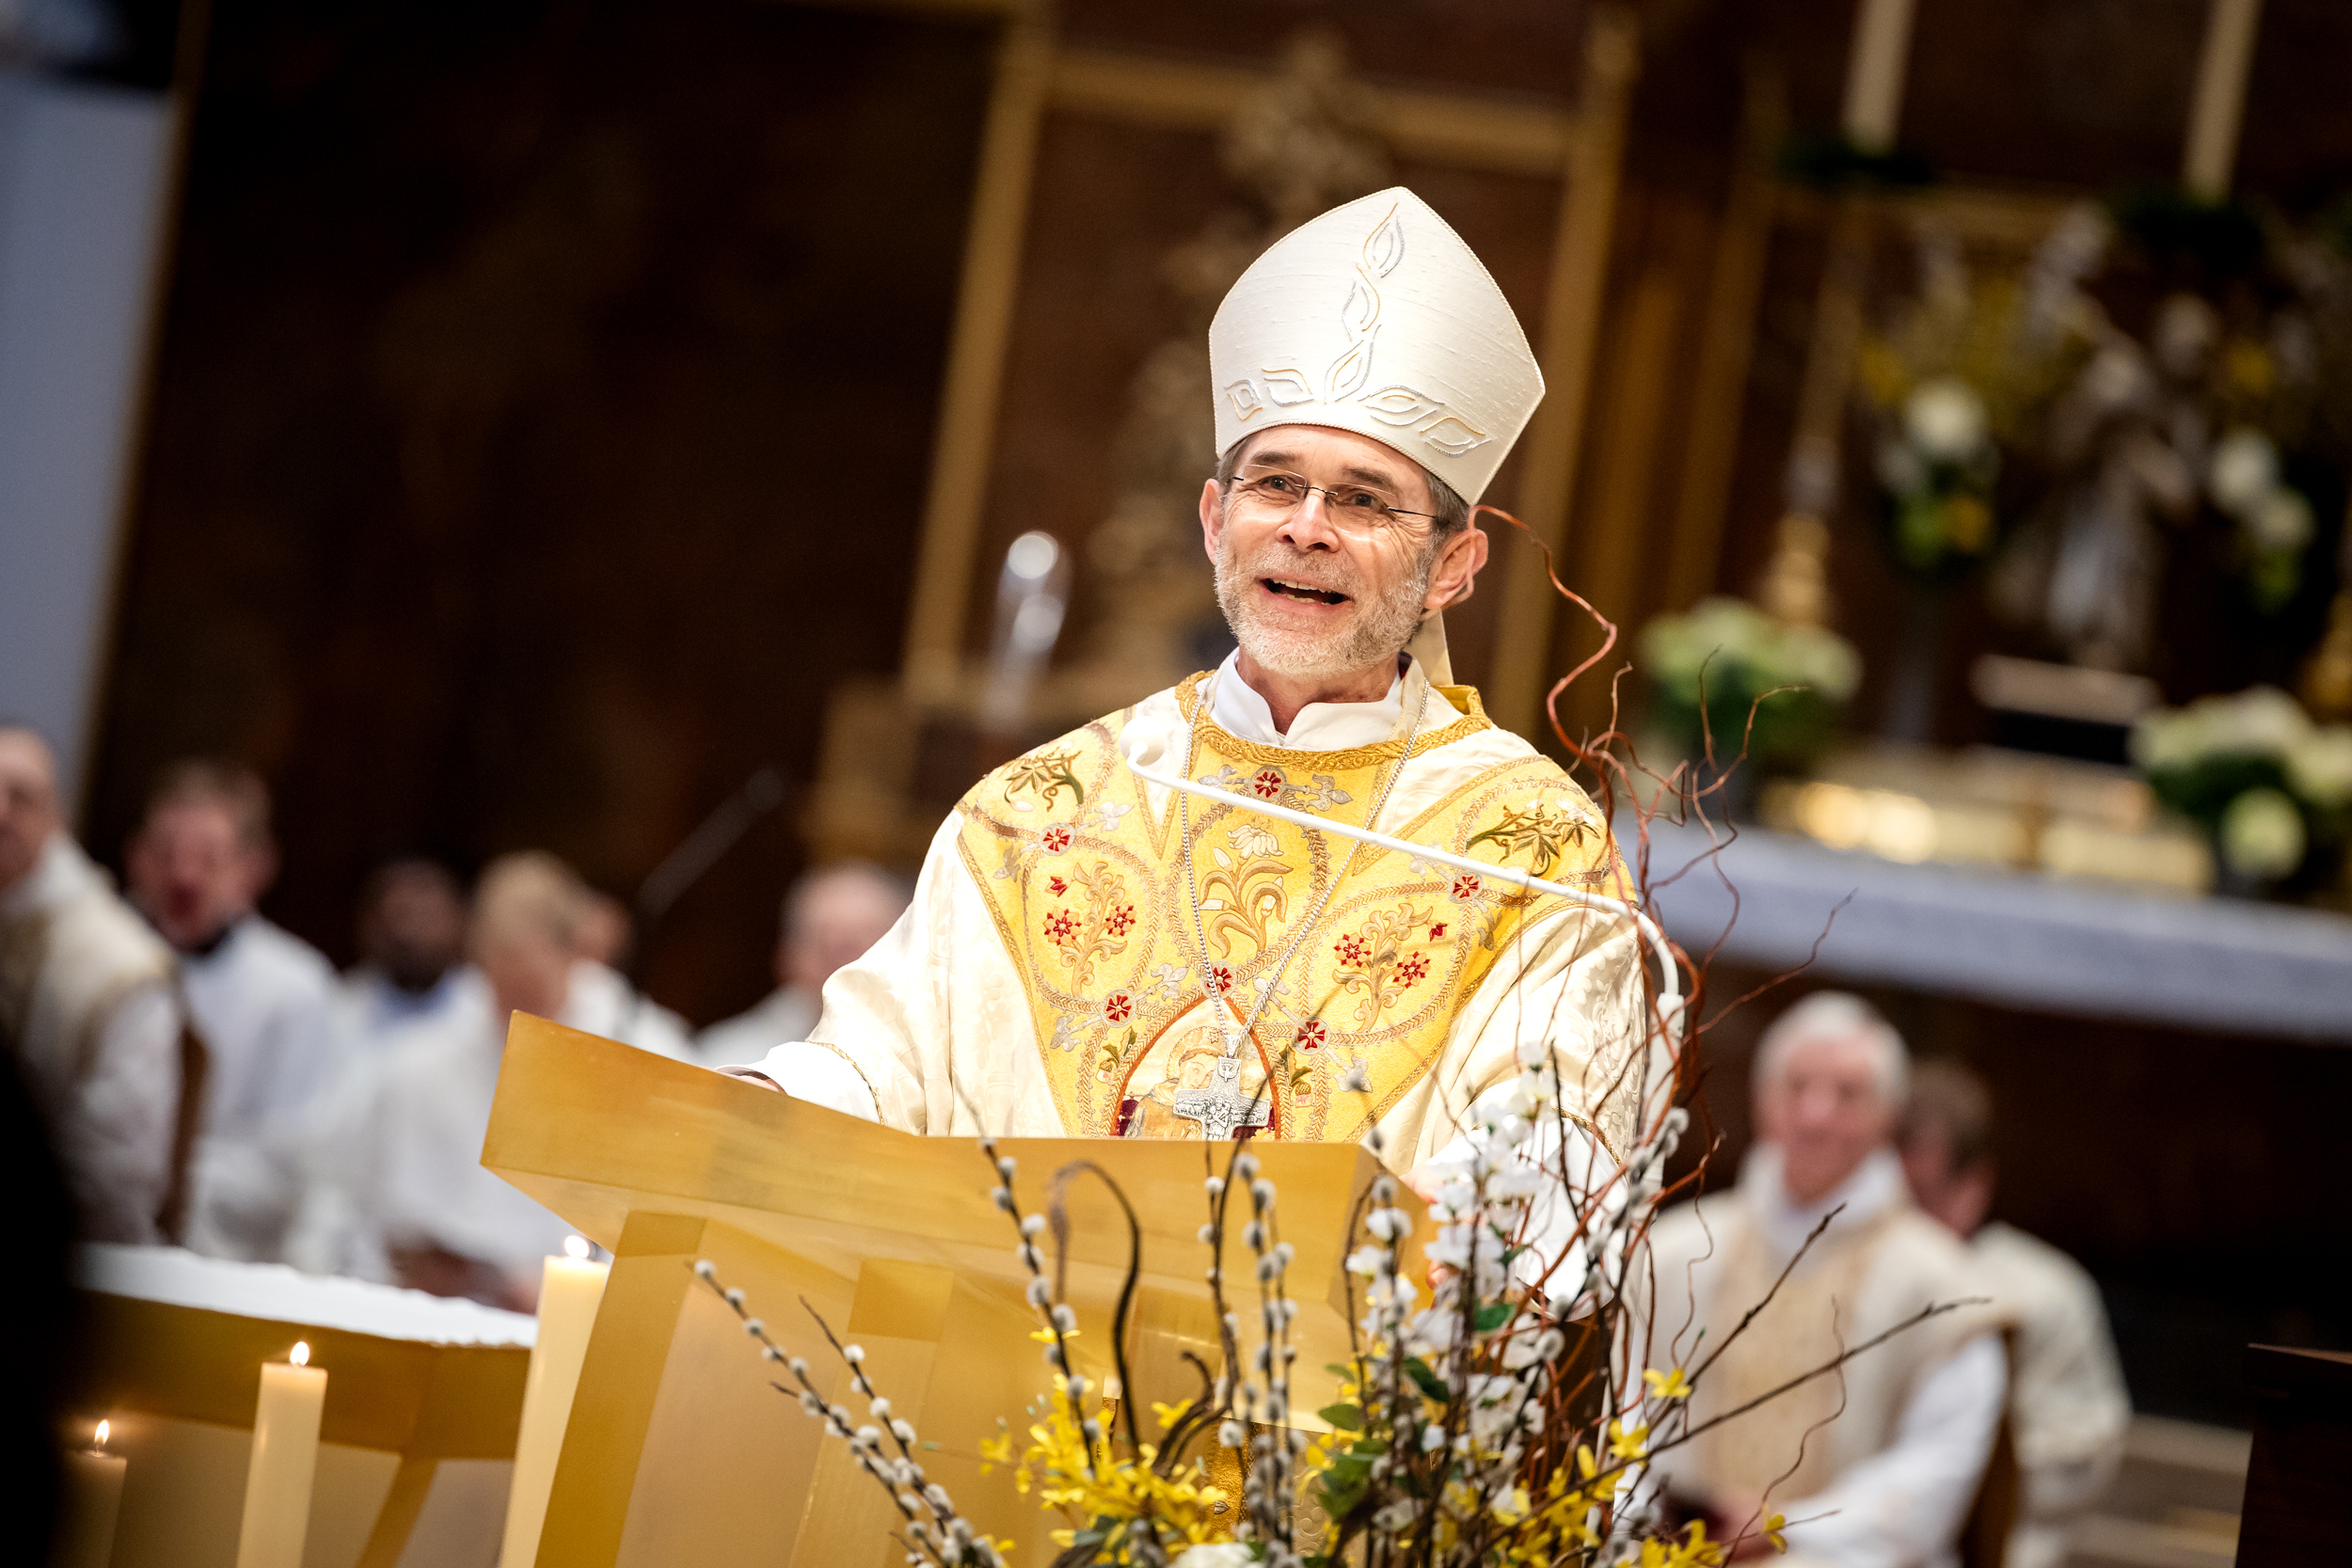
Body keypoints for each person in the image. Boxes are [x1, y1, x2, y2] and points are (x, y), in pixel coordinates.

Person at [734, 188, 1646, 1199]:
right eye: (1274, 484)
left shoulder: (1532, 853)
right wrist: (759, 1108)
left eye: (1362, 499)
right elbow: (883, 1064)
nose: (1305, 527)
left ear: (1453, 568)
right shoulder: (1043, 808)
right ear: (1214, 522)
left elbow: (1542, 1169)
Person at [1640, 993, 2005, 1568]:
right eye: (1796, 1087)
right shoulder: (1671, 1253)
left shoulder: (1944, 1287)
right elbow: (1621, 1427)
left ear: (1889, 1116)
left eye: (1848, 1094)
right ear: (1760, 1100)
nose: (1815, 1115)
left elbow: (1938, 1471)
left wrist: (1787, 1528)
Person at [288, 852, 585, 1308]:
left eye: (531, 984)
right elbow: (339, 1200)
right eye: (503, 980)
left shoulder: (626, 1061)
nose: (518, 1007)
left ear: (571, 960)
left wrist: (540, 1290)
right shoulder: (417, 1067)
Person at [1900, 1059, 2131, 1568]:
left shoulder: (2046, 1295)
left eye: (1919, 1196)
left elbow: (2079, 1453)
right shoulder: (1847, 1271)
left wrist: (1929, 1468)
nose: (1900, 1221)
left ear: (1974, 1186)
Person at [125, 760, 339, 1261]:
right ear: (136, 856)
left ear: (254, 867)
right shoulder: (95, 963)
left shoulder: (295, 989)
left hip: (218, 1257)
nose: (184, 877)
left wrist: (152, 1177)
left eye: (208, 858)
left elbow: (285, 1166)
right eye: (166, 854)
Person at [0, 725, 182, 1242]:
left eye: (21, 797)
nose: (0, 813)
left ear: (57, 817)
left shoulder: (117, 967)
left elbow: (118, 1177)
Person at [695, 862, 909, 1066]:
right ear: (787, 959)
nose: (846, 968)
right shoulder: (731, 1060)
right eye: (826, 945)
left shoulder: (927, 1064)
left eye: (865, 944)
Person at [332, 857, 479, 1058]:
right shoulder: (337, 1010)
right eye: (399, 913)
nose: (407, 933)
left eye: (425, 914)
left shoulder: (489, 1009)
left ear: (461, 918)